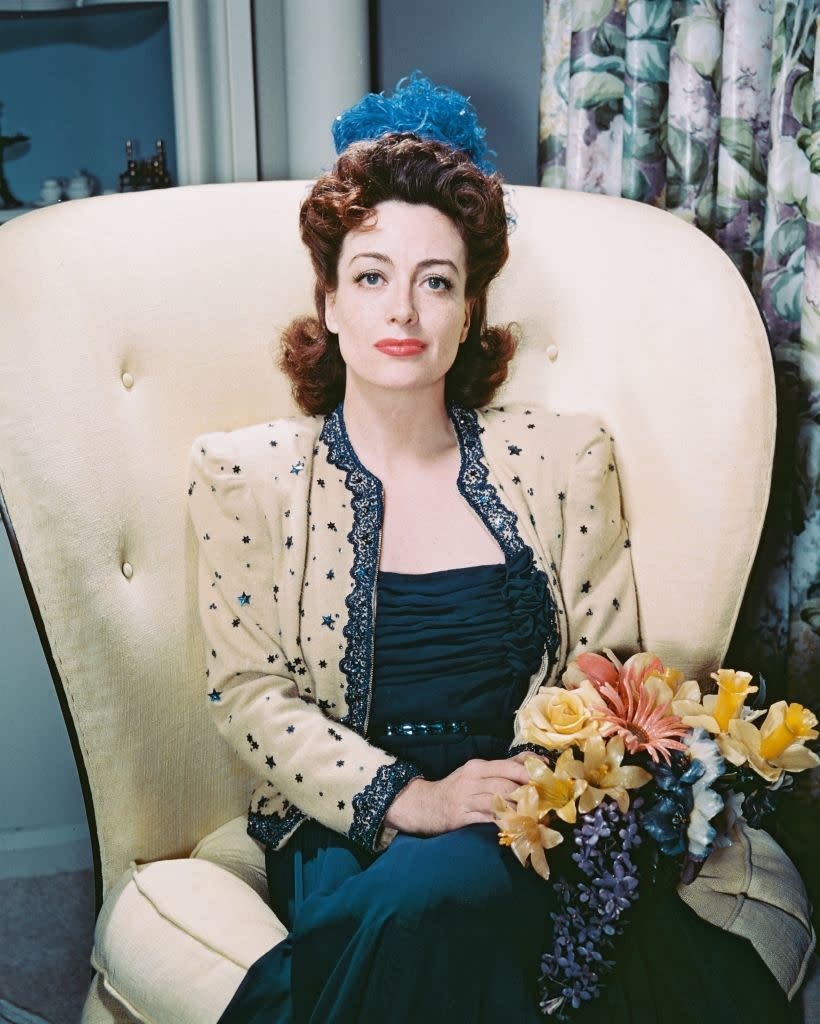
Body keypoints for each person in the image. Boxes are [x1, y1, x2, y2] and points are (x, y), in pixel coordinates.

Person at [188, 76, 807, 1023]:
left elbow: (604, 663)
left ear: (470, 309)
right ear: (331, 302)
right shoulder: (249, 478)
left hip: (527, 807)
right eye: (371, 276)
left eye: (436, 281)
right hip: (347, 827)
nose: (403, 309)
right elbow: (250, 694)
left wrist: (516, 792)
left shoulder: (561, 456)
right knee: (432, 898)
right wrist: (414, 800)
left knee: (472, 891)